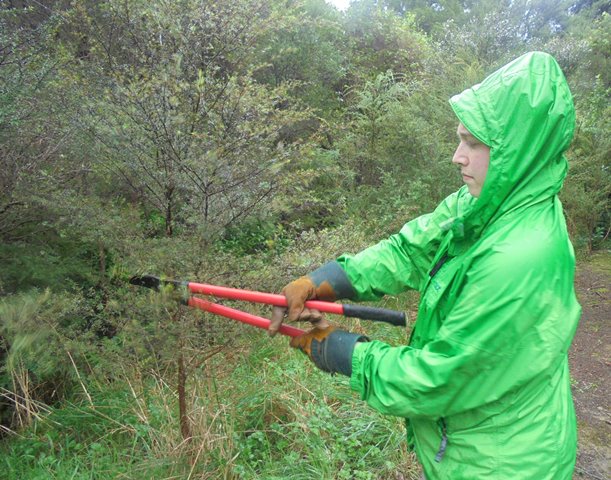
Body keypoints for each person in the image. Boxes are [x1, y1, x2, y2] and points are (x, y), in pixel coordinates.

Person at [268, 51, 581, 479]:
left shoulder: (520, 258)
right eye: (460, 139)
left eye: (474, 143)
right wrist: (326, 280)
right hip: (473, 444)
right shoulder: (491, 202)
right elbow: (409, 251)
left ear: (519, 151)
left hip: (504, 464)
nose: (457, 156)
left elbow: (442, 377)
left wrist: (343, 353)